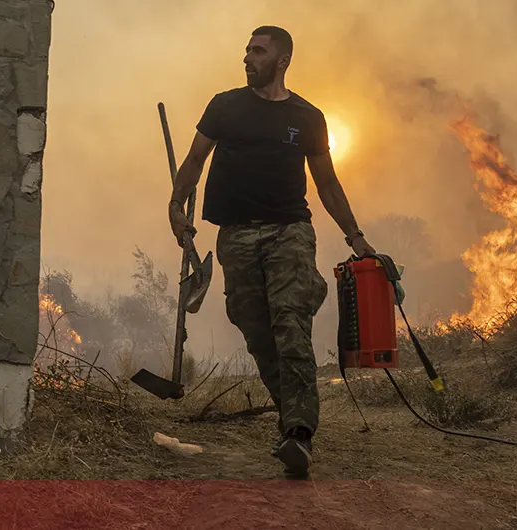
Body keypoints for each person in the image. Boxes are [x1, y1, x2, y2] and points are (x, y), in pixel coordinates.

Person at [167, 25, 376, 477]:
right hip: (235, 235)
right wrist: (175, 205)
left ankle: (299, 434)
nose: (247, 58)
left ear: (282, 61)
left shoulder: (307, 116)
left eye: (258, 52)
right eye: (246, 49)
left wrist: (355, 236)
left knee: (291, 325)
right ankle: (290, 419)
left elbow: (327, 183)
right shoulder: (224, 106)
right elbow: (194, 160)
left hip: (289, 233)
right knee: (256, 329)